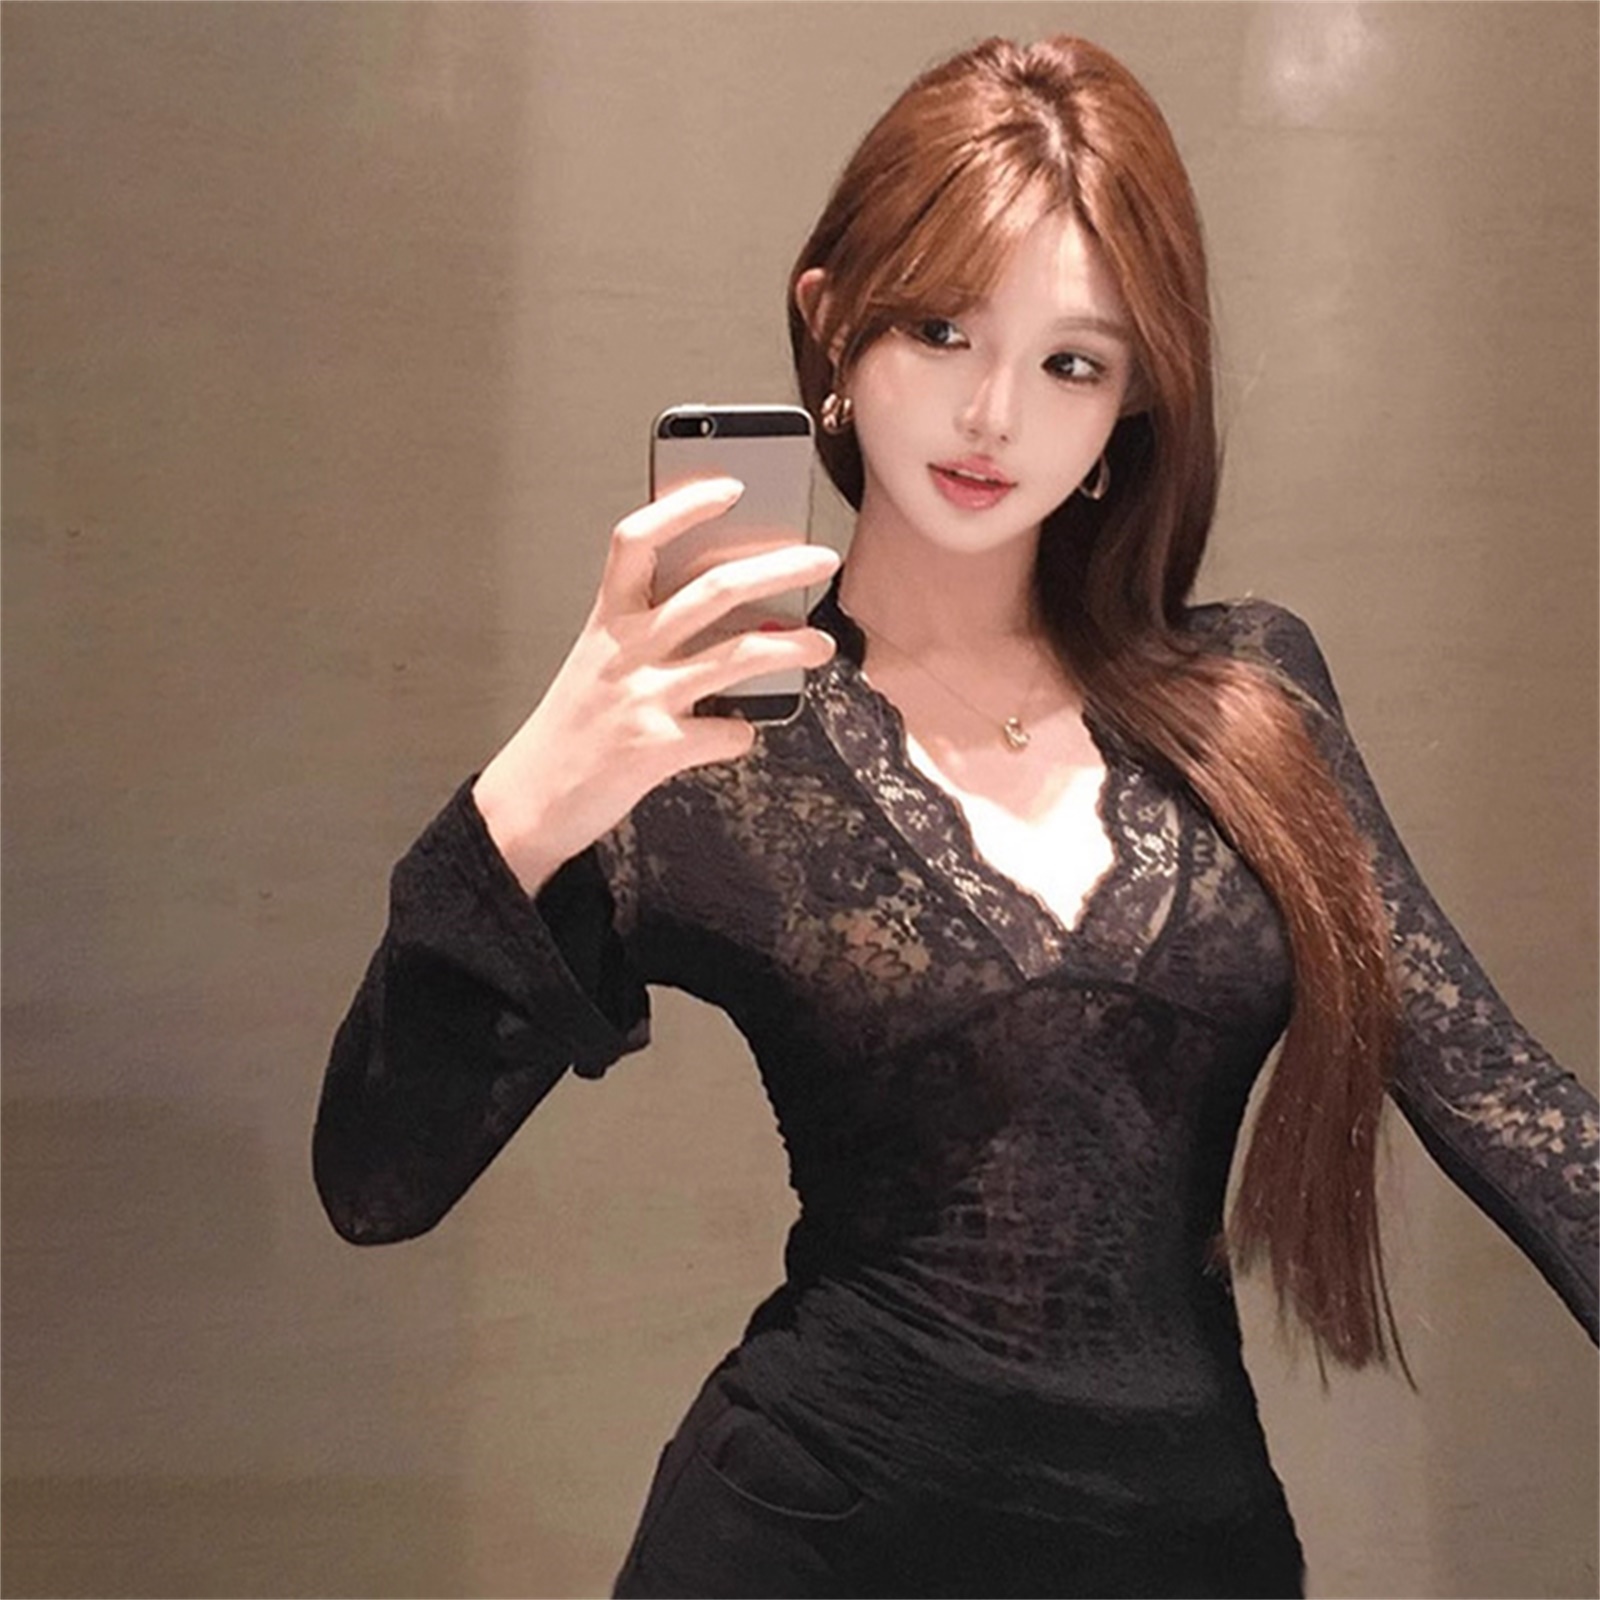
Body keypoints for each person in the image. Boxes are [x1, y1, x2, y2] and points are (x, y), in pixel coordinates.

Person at [313, 34, 1598, 1600]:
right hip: (805, 1542)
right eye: (941, 331)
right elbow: (377, 1179)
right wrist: (528, 798)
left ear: (1135, 400)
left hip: (1192, 1557)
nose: (994, 414)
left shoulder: (1253, 700)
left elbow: (1506, 1100)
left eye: (1072, 363)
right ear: (831, 321)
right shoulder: (700, 746)